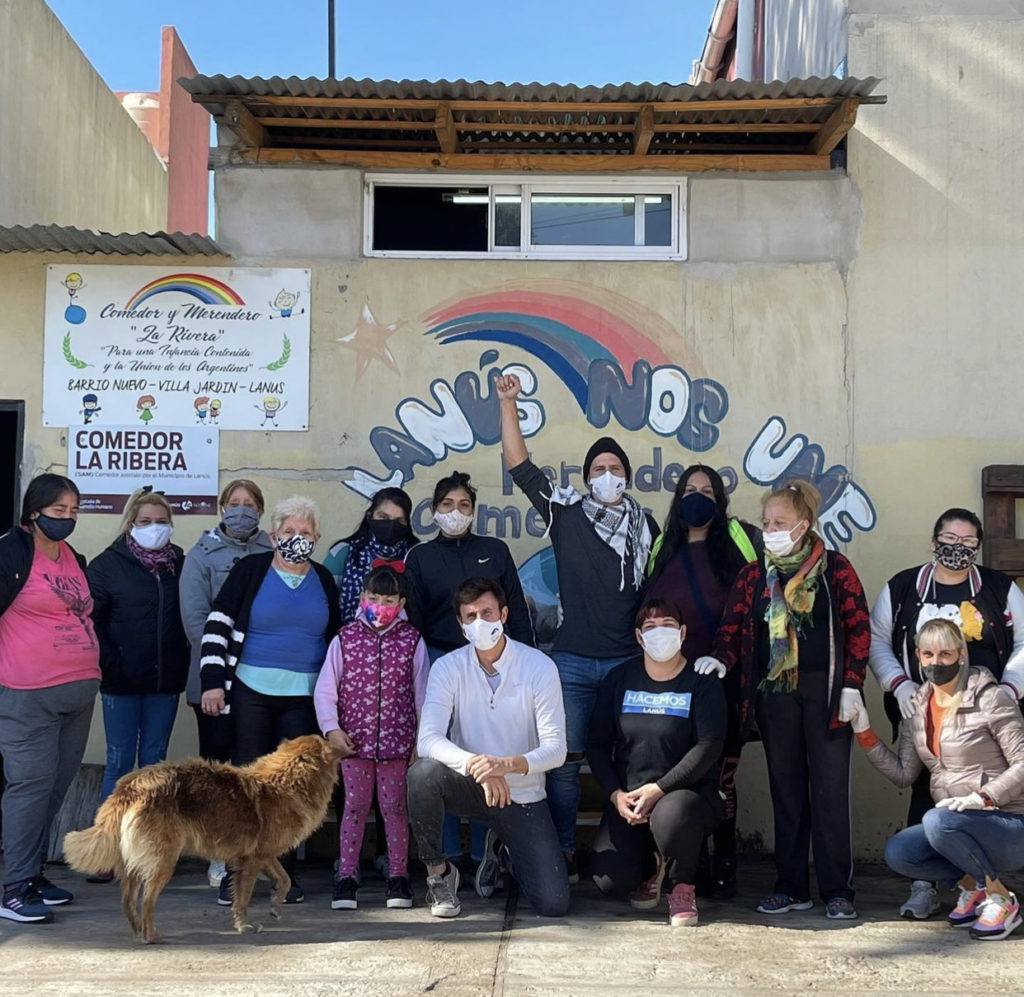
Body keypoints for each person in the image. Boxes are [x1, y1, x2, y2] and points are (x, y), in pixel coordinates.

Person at [498, 373, 658, 881]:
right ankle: (564, 853)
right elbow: (520, 466)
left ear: (627, 477)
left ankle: (629, 856)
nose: (607, 475)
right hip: (570, 664)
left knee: (633, 763)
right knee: (563, 764)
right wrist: (508, 403)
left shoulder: (647, 527)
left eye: (615, 468)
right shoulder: (565, 514)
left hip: (628, 663)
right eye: (598, 469)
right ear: (587, 477)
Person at [710, 480, 870, 919]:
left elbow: (858, 629)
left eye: (779, 523)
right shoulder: (753, 575)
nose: (770, 530)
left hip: (828, 693)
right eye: (766, 523)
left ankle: (838, 890)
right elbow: (731, 628)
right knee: (786, 789)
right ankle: (791, 886)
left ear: (804, 524)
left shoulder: (836, 569)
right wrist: (720, 660)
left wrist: (852, 684)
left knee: (830, 792)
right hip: (775, 693)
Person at [868, 506, 1024, 917]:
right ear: (933, 541)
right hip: (923, 707)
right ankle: (926, 887)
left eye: (968, 541)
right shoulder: (903, 587)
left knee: (981, 787)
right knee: (929, 787)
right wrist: (899, 685)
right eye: (950, 539)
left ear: (979, 545)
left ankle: (987, 887)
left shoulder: (999, 588)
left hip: (985, 712)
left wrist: (1009, 688)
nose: (958, 547)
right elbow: (877, 640)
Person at [200, 494, 341, 905]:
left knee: (292, 788)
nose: (297, 538)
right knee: (246, 784)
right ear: (273, 535)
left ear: (317, 537)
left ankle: (284, 875)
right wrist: (212, 682)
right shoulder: (250, 570)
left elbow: (336, 641)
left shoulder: (323, 579)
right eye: (288, 531)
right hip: (250, 692)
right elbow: (217, 625)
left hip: (304, 698)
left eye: (305, 532)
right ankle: (235, 874)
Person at [850, 618, 1024, 940]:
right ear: (918, 656)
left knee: (936, 820)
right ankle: (974, 887)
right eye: (928, 654)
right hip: (957, 826)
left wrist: (983, 797)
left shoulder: (991, 698)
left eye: (945, 654)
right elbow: (904, 774)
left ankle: (1001, 899)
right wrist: (864, 732)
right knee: (900, 851)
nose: (936, 662)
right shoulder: (918, 707)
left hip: (1009, 823)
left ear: (961, 654)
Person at [407, 577, 568, 919]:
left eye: (487, 613)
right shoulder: (448, 667)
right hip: (469, 785)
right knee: (422, 774)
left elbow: (556, 750)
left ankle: (504, 849)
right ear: (460, 623)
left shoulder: (539, 666)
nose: (480, 622)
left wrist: (505, 765)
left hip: (521, 794)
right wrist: (478, 766)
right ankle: (439, 873)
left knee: (553, 903)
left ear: (504, 614)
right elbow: (428, 740)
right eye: (471, 616)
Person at [403, 469, 534, 889]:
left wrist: (525, 658)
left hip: (491, 661)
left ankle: (483, 854)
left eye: (463, 505)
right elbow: (414, 620)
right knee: (441, 756)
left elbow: (515, 607)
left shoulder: (493, 550)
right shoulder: (420, 557)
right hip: (439, 661)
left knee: (484, 748)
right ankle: (445, 856)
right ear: (433, 511)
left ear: (474, 511)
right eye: (447, 505)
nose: (455, 512)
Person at [644, 464, 761, 898]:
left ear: (720, 500)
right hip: (671, 679)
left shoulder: (736, 541)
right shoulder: (664, 545)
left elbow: (755, 604)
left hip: (722, 677)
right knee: (679, 768)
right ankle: (691, 863)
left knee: (720, 773)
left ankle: (725, 861)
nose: (698, 498)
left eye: (707, 491)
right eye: (689, 490)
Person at [588, 598, 726, 927]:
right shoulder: (620, 679)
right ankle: (653, 865)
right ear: (639, 637)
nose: (659, 632)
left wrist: (660, 788)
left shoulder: (701, 680)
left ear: (683, 633)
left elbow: (709, 746)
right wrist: (616, 796)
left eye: (668, 624)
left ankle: (681, 886)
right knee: (610, 881)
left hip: (686, 796)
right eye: (650, 626)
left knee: (672, 816)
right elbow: (596, 744)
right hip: (632, 799)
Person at [0, 474, 100, 924]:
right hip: (27, 695)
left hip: (77, 692)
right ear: (34, 511)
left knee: (55, 786)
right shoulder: (10, 552)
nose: (68, 518)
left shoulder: (72, 556)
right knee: (29, 786)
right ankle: (14, 888)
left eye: (74, 511)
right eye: (59, 511)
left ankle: (34, 873)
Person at [86, 487, 188, 882]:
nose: (154, 528)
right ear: (131, 523)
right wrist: (112, 663)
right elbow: (91, 623)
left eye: (161, 522)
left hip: (164, 681)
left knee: (154, 764)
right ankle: (106, 851)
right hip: (121, 682)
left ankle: (149, 851)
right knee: (119, 762)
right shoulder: (106, 565)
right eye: (145, 521)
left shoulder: (180, 564)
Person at [314, 565, 428, 911]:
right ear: (362, 597)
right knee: (354, 807)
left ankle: (398, 876)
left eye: (388, 600)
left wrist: (420, 740)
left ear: (401, 603)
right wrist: (332, 729)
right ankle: (347, 876)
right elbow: (325, 690)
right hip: (354, 746)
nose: (380, 605)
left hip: (397, 746)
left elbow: (422, 694)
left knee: (395, 808)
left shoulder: (412, 640)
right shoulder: (345, 639)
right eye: (374, 598)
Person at [179, 478, 272, 887]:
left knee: (253, 770)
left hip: (259, 679)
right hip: (215, 677)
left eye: (250, 504)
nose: (241, 510)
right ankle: (218, 854)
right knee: (217, 770)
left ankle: (252, 853)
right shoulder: (201, 555)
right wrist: (224, 665)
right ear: (221, 508)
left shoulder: (272, 550)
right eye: (234, 503)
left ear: (260, 511)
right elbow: (195, 623)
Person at [323, 487, 419, 625]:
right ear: (370, 516)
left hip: (405, 637)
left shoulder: (415, 556)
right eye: (383, 517)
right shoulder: (343, 553)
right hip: (348, 636)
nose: (390, 525)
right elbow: (323, 603)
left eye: (398, 521)